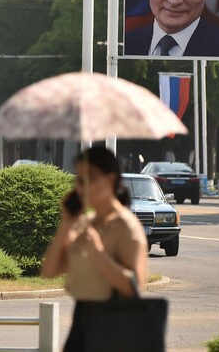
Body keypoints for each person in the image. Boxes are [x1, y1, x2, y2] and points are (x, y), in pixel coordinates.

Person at [41, 147, 148, 351]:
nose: (82, 187)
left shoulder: (127, 226)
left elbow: (135, 287)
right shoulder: (85, 224)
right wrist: (66, 225)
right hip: (82, 321)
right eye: (79, 180)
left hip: (114, 328)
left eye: (89, 178)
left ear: (110, 179)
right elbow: (49, 271)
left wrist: (97, 251)